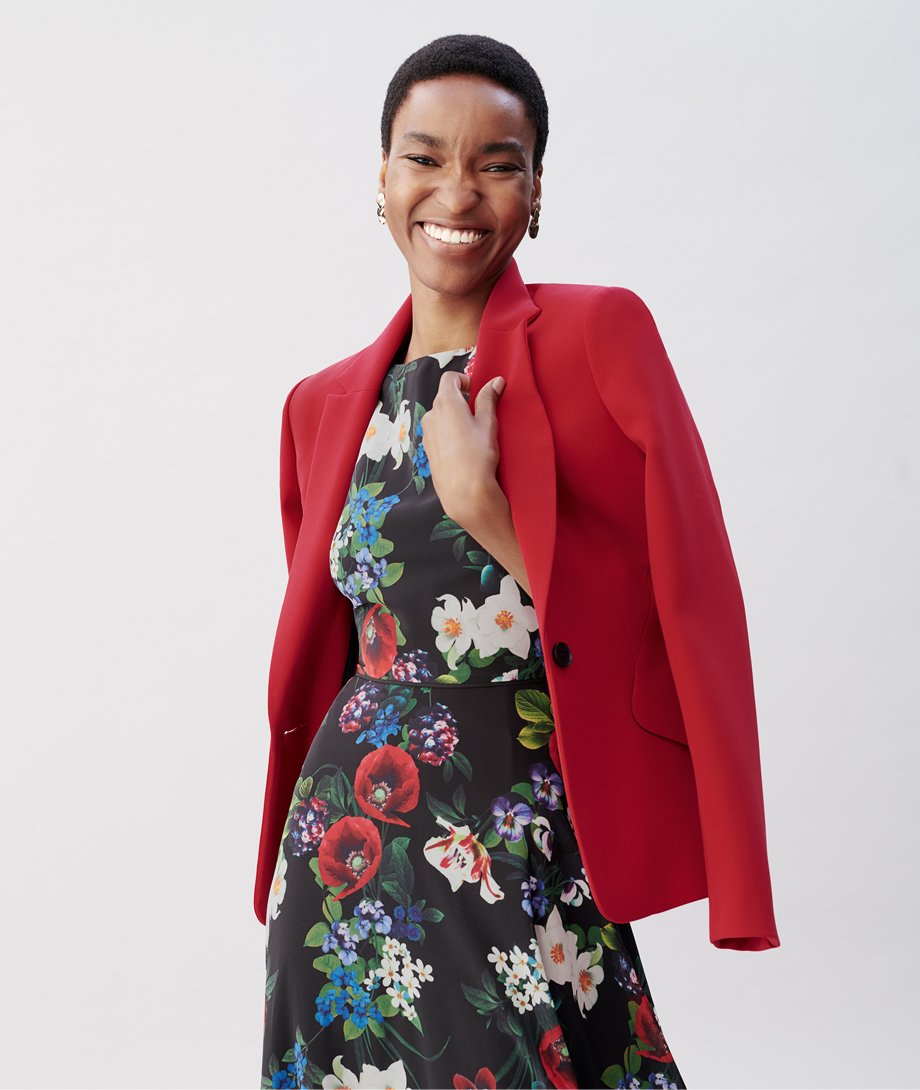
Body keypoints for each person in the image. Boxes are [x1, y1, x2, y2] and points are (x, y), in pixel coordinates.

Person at [257, 32, 779, 1090]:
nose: (457, 188)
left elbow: (674, 612)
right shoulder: (318, 406)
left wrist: (481, 508)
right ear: (381, 179)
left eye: (497, 161)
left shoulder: (598, 337)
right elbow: (342, 646)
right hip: (344, 841)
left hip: (515, 826)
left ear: (536, 189)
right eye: (423, 155)